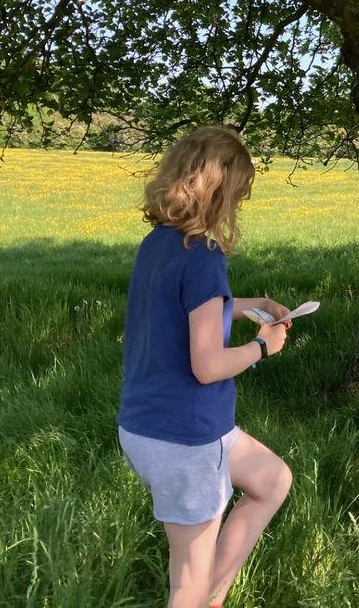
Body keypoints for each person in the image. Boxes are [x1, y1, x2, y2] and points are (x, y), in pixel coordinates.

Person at [117, 125, 294, 608]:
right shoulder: (204, 257)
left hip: (147, 425)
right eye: (237, 194)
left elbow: (186, 307)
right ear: (220, 191)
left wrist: (249, 303)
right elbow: (208, 365)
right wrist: (263, 346)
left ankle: (213, 597)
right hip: (185, 438)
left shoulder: (161, 242)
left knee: (273, 480)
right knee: (187, 586)